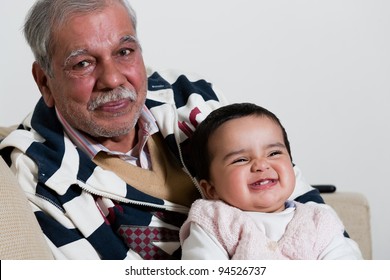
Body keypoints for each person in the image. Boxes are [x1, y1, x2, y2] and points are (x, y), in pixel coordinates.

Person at [0, 0, 322, 260]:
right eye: (83, 63)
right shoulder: (39, 176)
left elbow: (305, 207)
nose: (112, 79)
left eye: (124, 52)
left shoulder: (189, 96)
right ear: (45, 81)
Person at [180, 103, 363, 259]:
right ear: (211, 189)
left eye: (274, 153)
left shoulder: (318, 220)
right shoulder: (214, 221)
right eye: (241, 160)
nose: (261, 165)